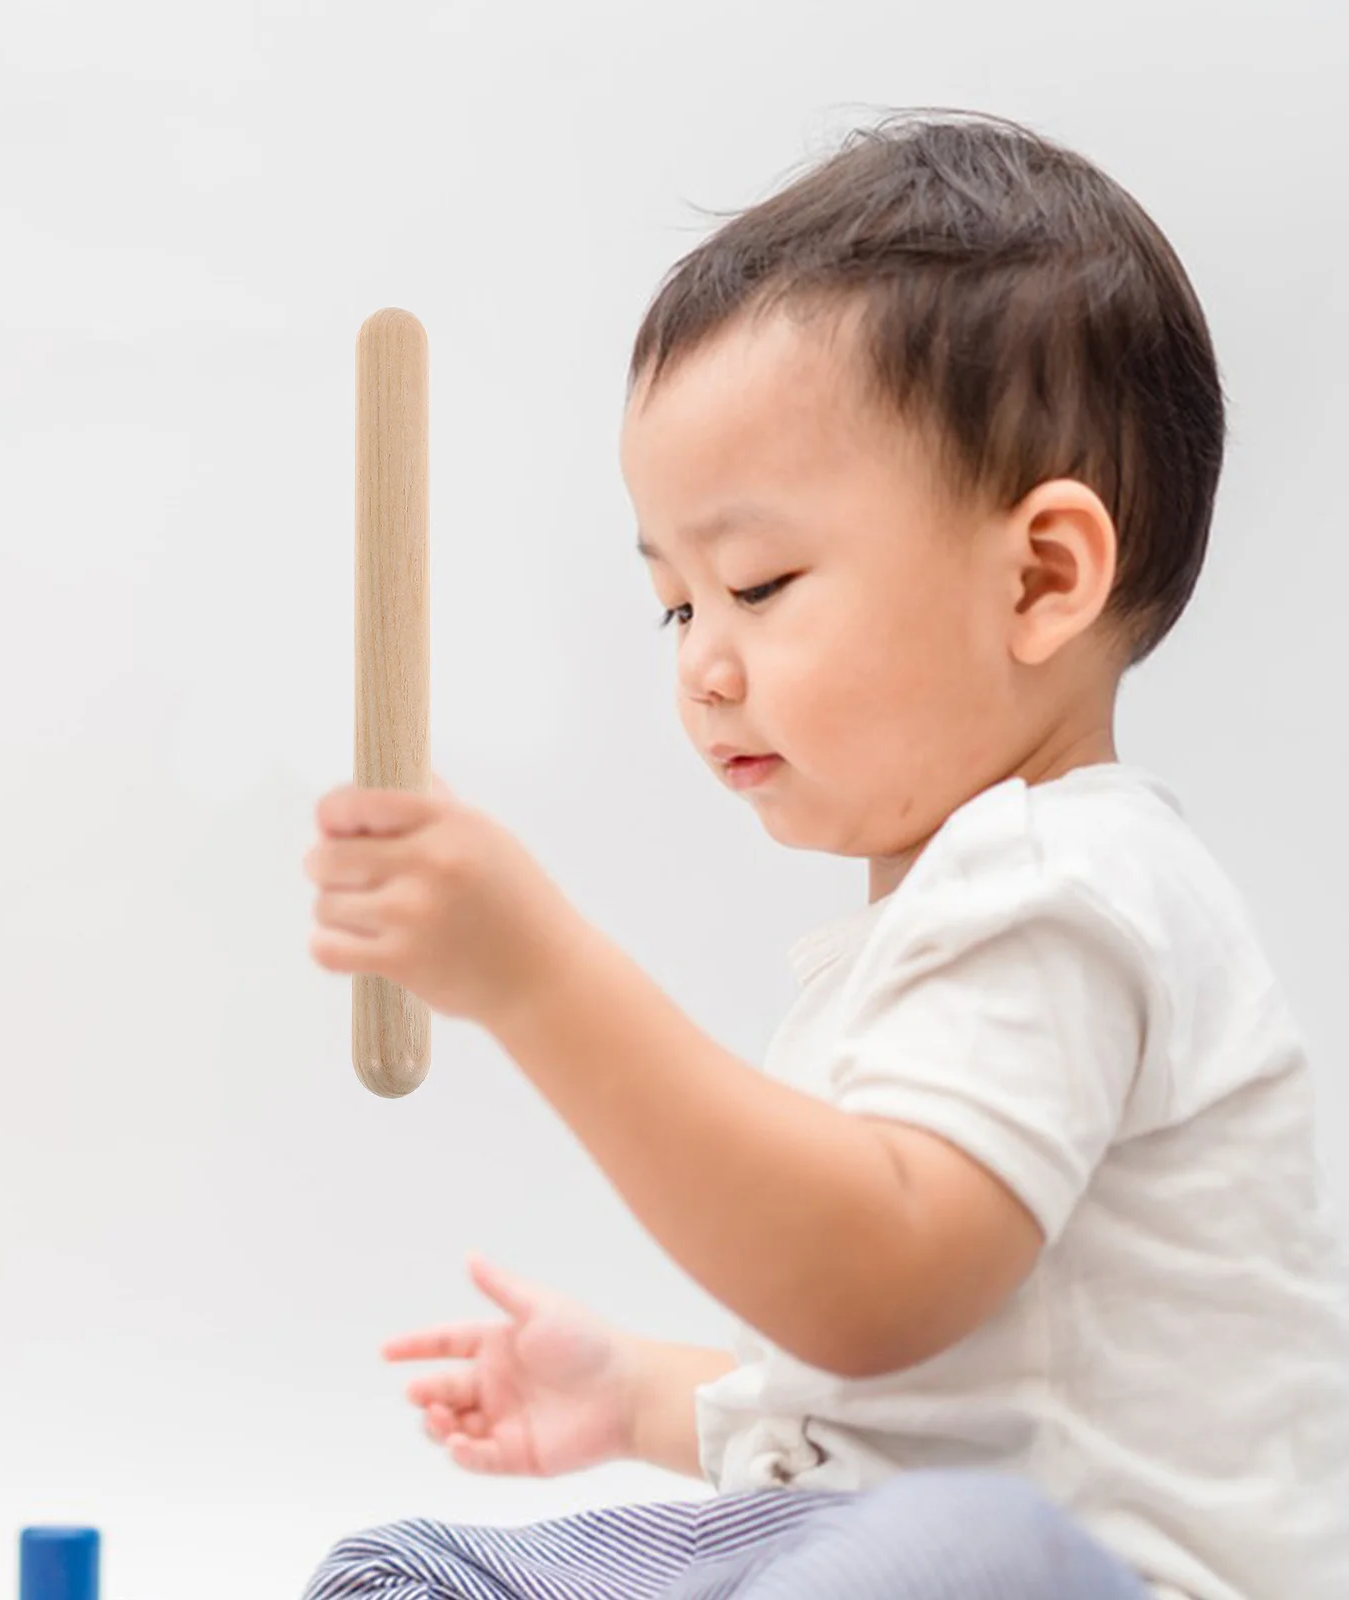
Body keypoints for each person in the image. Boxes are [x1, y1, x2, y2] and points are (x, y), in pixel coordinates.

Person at [299, 110, 1349, 1598]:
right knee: (413, 1567)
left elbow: (871, 1292)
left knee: (952, 1542)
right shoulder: (952, 919)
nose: (703, 668)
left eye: (760, 583)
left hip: (1081, 1575)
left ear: (1042, 577)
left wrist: (535, 975)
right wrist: (641, 1396)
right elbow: (864, 1418)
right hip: (854, 1545)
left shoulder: (1073, 888)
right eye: (676, 608)